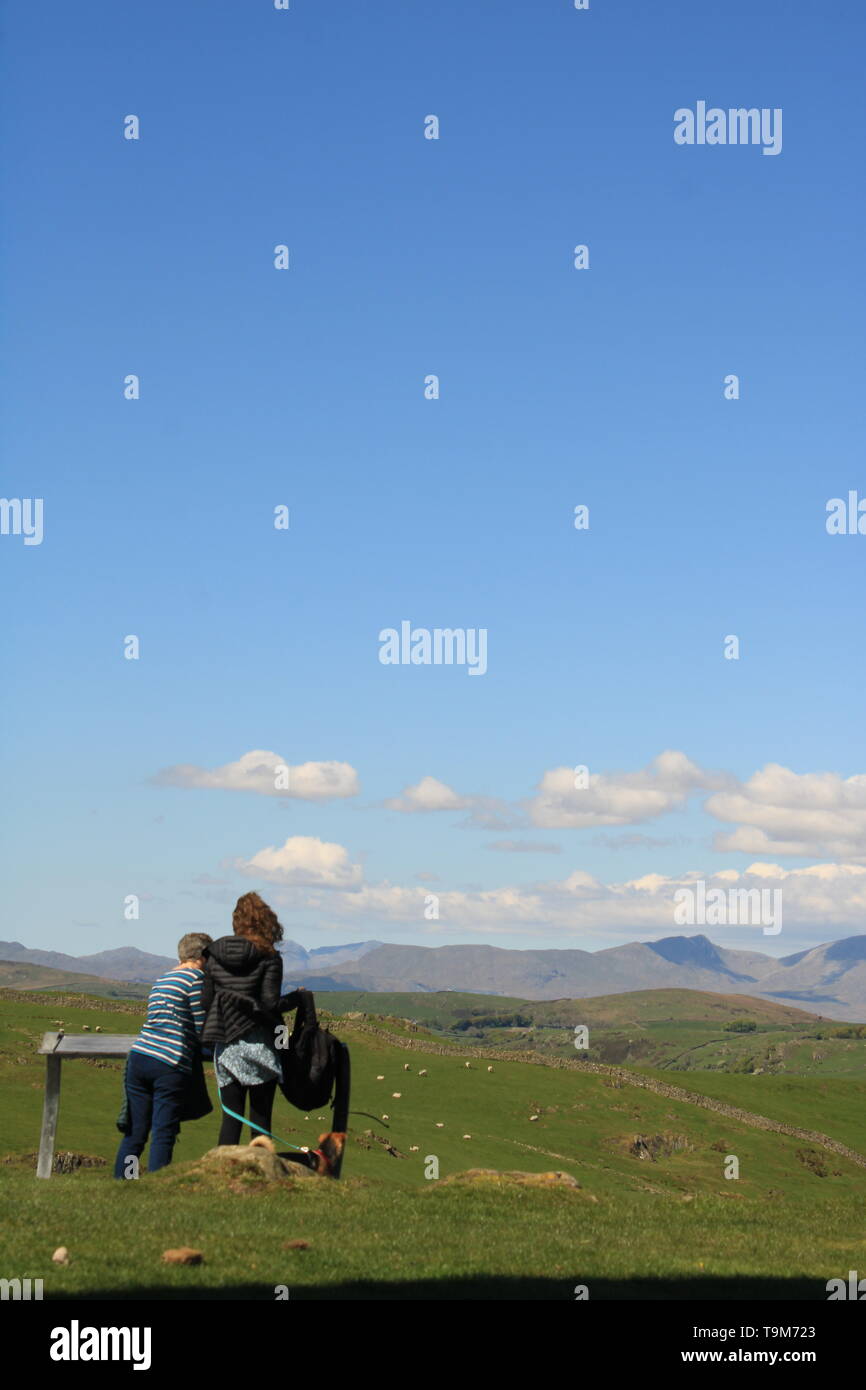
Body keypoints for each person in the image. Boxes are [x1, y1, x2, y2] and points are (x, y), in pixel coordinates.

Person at [114, 932, 212, 1178]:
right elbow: (202, 1028)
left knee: (135, 1132)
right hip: (169, 1062)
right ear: (204, 956)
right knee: (163, 1131)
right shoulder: (195, 979)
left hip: (139, 1057)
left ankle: (123, 1183)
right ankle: (156, 1189)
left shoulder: (162, 979)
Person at [201, 892, 285, 1145]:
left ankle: (223, 1174)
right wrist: (295, 1001)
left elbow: (206, 1002)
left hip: (226, 1046)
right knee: (260, 1120)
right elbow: (270, 1004)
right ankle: (259, 1177)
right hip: (260, 1045)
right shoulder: (269, 957)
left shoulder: (213, 955)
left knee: (231, 1118)